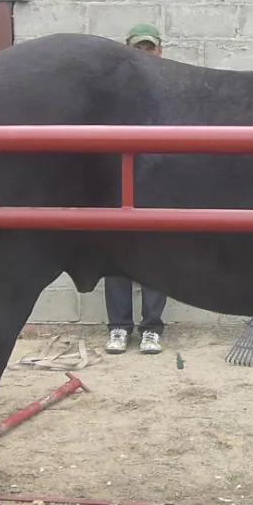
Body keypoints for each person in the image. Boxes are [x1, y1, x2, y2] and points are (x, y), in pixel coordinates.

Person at [104, 24, 168, 356]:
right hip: (118, 179)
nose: (144, 55)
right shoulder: (113, 90)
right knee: (117, 256)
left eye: (149, 49)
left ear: (160, 51)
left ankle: (152, 328)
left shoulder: (171, 89)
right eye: (138, 49)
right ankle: (118, 327)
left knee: (154, 256)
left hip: (154, 180)